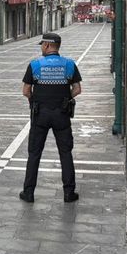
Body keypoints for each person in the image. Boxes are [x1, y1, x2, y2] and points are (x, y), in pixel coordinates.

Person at [19, 32, 82, 203]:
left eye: (42, 45)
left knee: (34, 153)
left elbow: (26, 91)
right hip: (61, 114)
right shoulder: (69, 64)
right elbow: (77, 89)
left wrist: (35, 100)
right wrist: (65, 98)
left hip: (40, 114)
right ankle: (69, 192)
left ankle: (29, 192)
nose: (41, 47)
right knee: (65, 152)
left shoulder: (35, 65)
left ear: (46, 45)